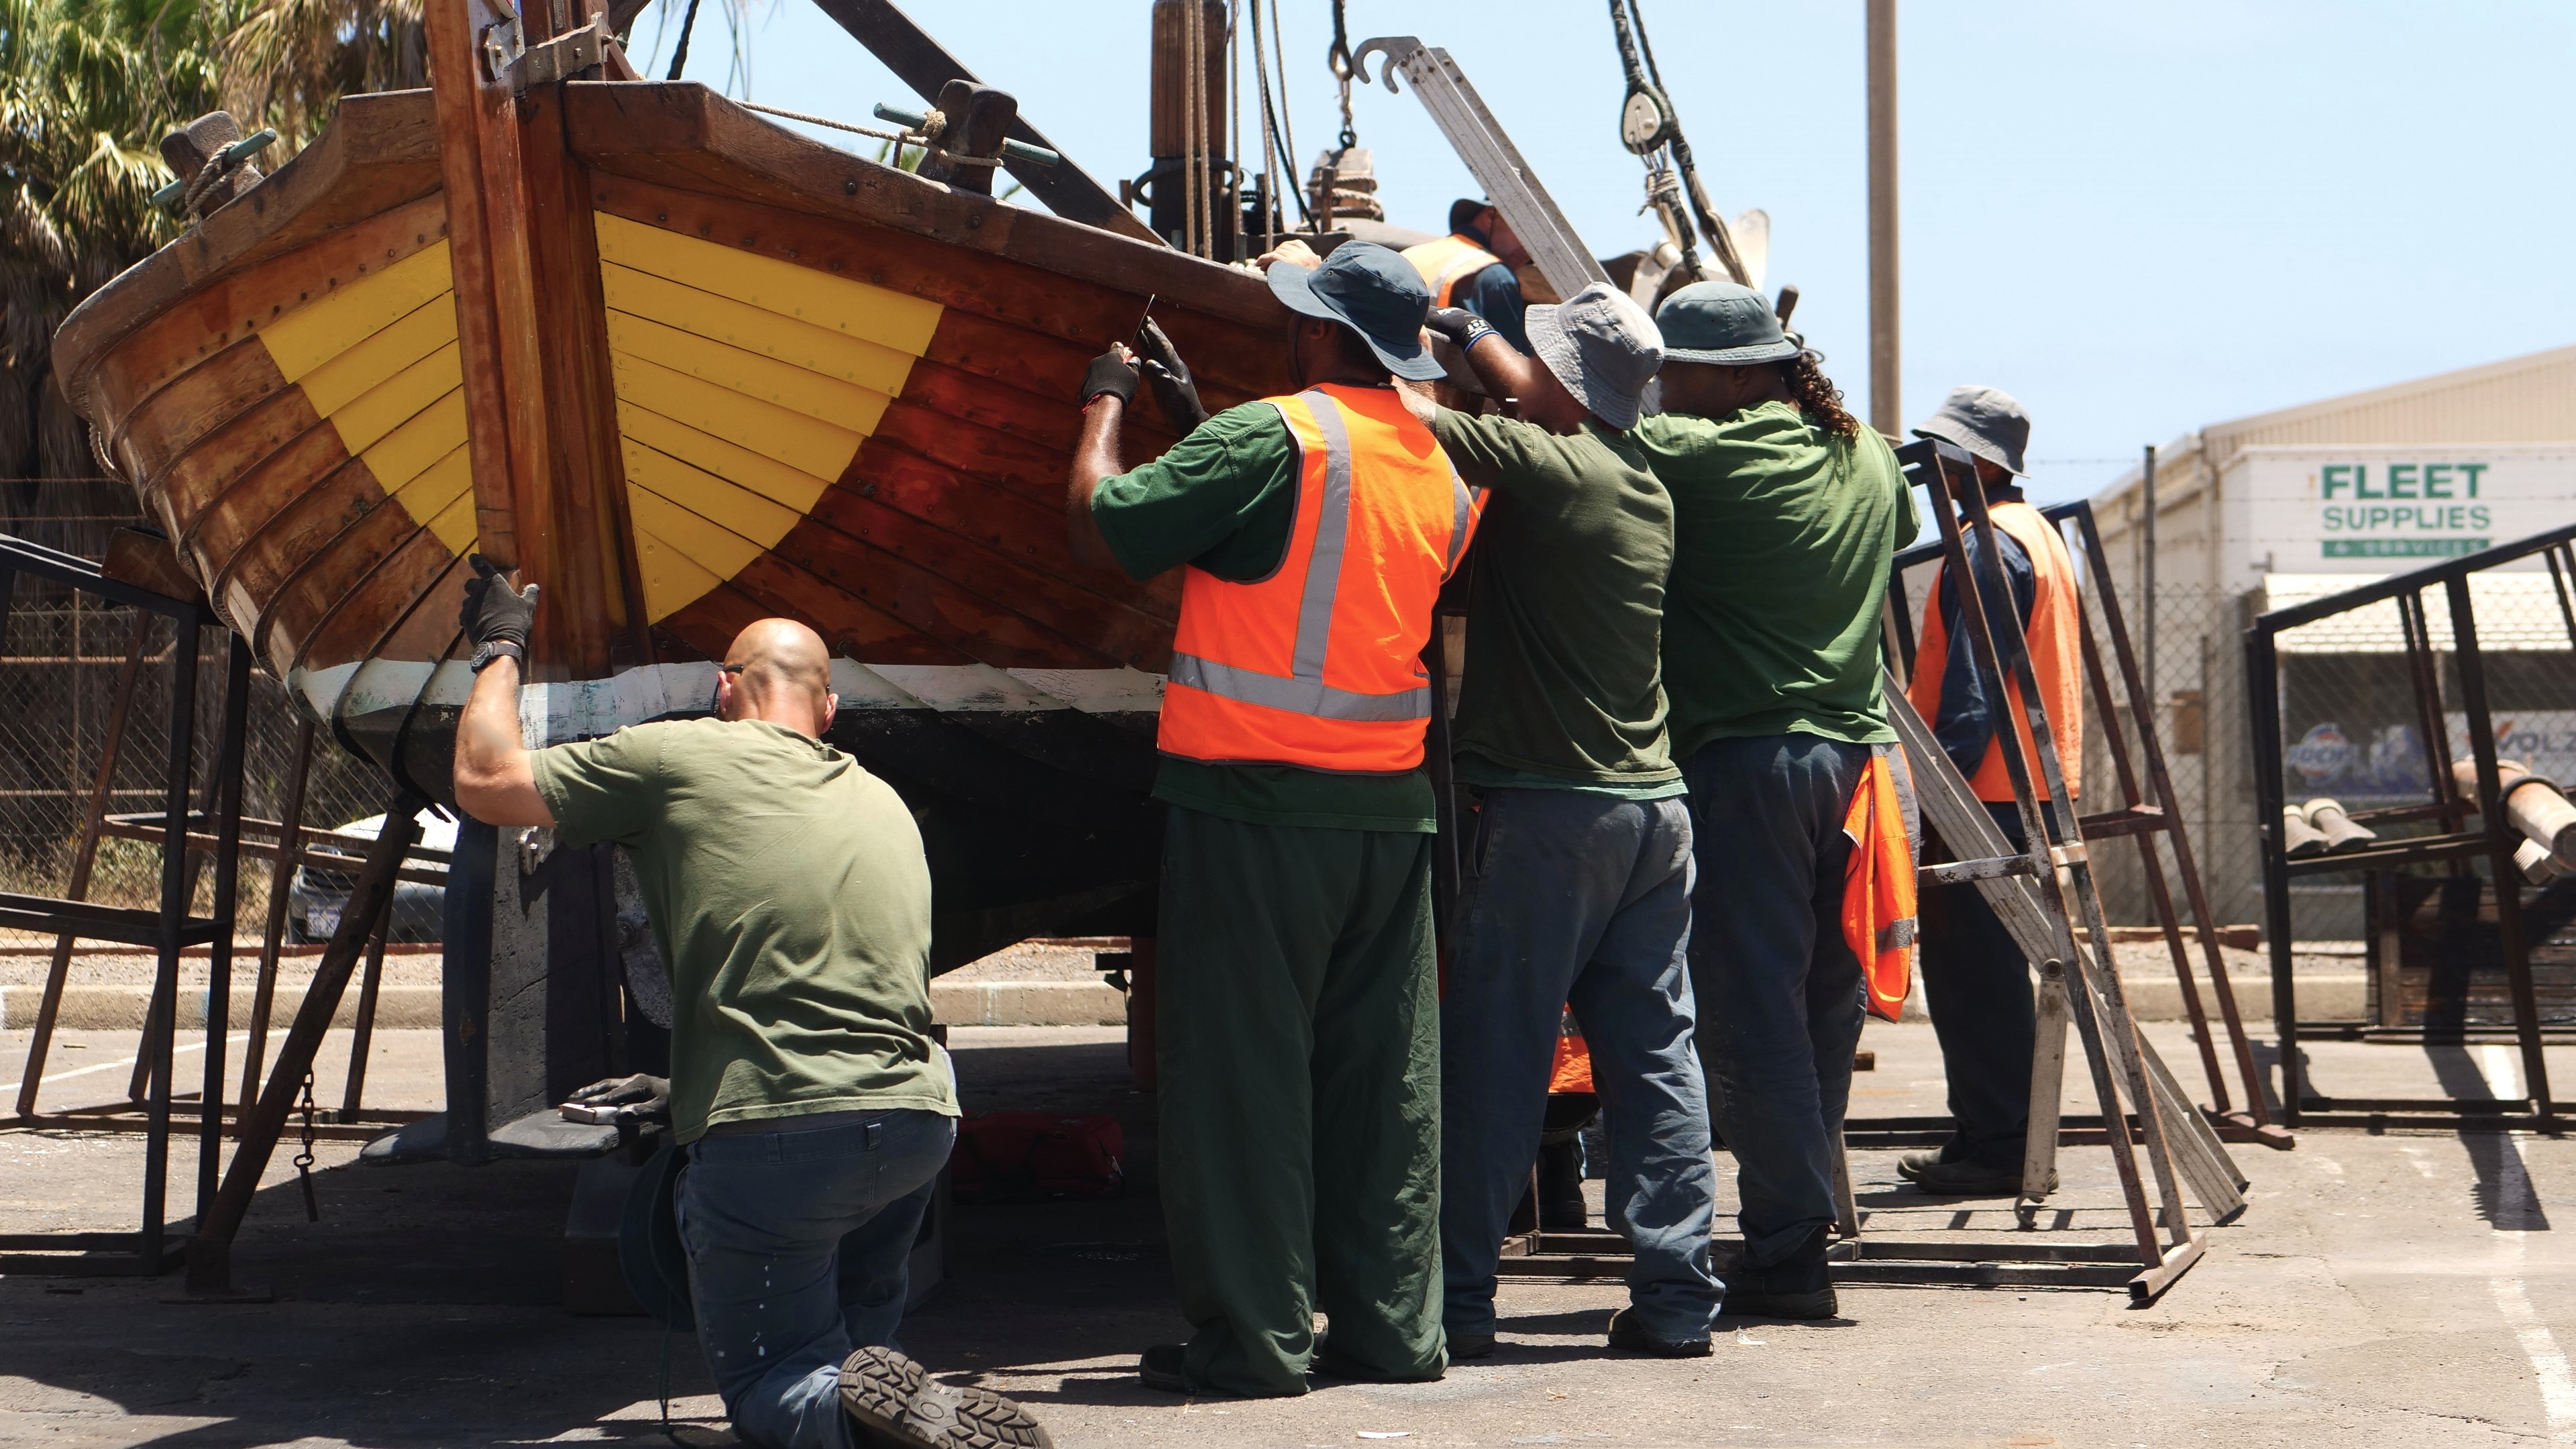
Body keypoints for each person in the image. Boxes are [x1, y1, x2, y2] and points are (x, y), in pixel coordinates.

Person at [449, 587, 1048, 1449]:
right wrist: (690, 1079)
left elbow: (486, 780)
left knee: (776, 1376)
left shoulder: (680, 756)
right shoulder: (883, 803)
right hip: (919, 1121)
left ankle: (831, 1414)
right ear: (829, 710)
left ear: (724, 692)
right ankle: (880, 1406)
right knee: (859, 1343)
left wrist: (500, 647)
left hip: (778, 1130)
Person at [1064, 241, 1478, 1398]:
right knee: (1382, 1085)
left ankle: (1255, 1343)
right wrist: (1198, 420)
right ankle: (1395, 1333)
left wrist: (1103, 399)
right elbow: (1319, 568)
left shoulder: (1277, 436)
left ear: (1315, 334)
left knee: (1242, 1080)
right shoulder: (1437, 467)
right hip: (1389, 820)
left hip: (1254, 805)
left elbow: (1104, 525)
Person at [1414, 285, 1723, 1360]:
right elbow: (1540, 403)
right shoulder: (1643, 484)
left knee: (1497, 1059)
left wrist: (1411, 338)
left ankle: (1457, 1305)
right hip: (1654, 812)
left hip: (1554, 817)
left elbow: (1396, 419)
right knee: (1657, 1060)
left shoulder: (1545, 468)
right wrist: (1481, 342)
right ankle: (1679, 1300)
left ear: (1564, 386)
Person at [1635, 280, 1919, 1320]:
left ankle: (1791, 1253)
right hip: (1862, 773)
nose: (1666, 386)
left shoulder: (1707, 453)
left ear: (1742, 373)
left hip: (1751, 762)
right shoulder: (1875, 456)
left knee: (1754, 1014)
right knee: (1822, 1007)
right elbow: (1900, 530)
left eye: (1681, 370)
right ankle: (1798, 1220)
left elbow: (1585, 437)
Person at [1900, 386, 2083, 1199]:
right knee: (1997, 974)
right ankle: (1993, 1131)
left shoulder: (1986, 547)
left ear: (1979, 462)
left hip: (1986, 792)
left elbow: (1972, 695)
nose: (1930, 466)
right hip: (2031, 789)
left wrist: (1938, 804)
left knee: (1974, 977)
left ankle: (1999, 1143)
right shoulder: (2036, 535)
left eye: (1944, 452)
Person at [1402, 199, 1533, 351]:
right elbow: (1514, 365)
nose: (1529, 252)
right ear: (1490, 217)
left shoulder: (1411, 254)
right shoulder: (1497, 276)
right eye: (1528, 233)